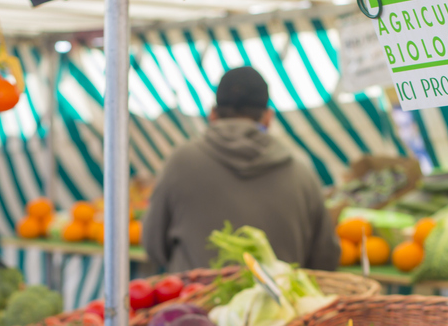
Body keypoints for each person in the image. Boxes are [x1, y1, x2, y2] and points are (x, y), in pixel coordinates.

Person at [143, 65, 340, 272]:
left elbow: (154, 247)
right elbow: (325, 259)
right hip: (280, 293)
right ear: (268, 117)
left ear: (212, 114)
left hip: (195, 293)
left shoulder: (179, 163)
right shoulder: (301, 171)